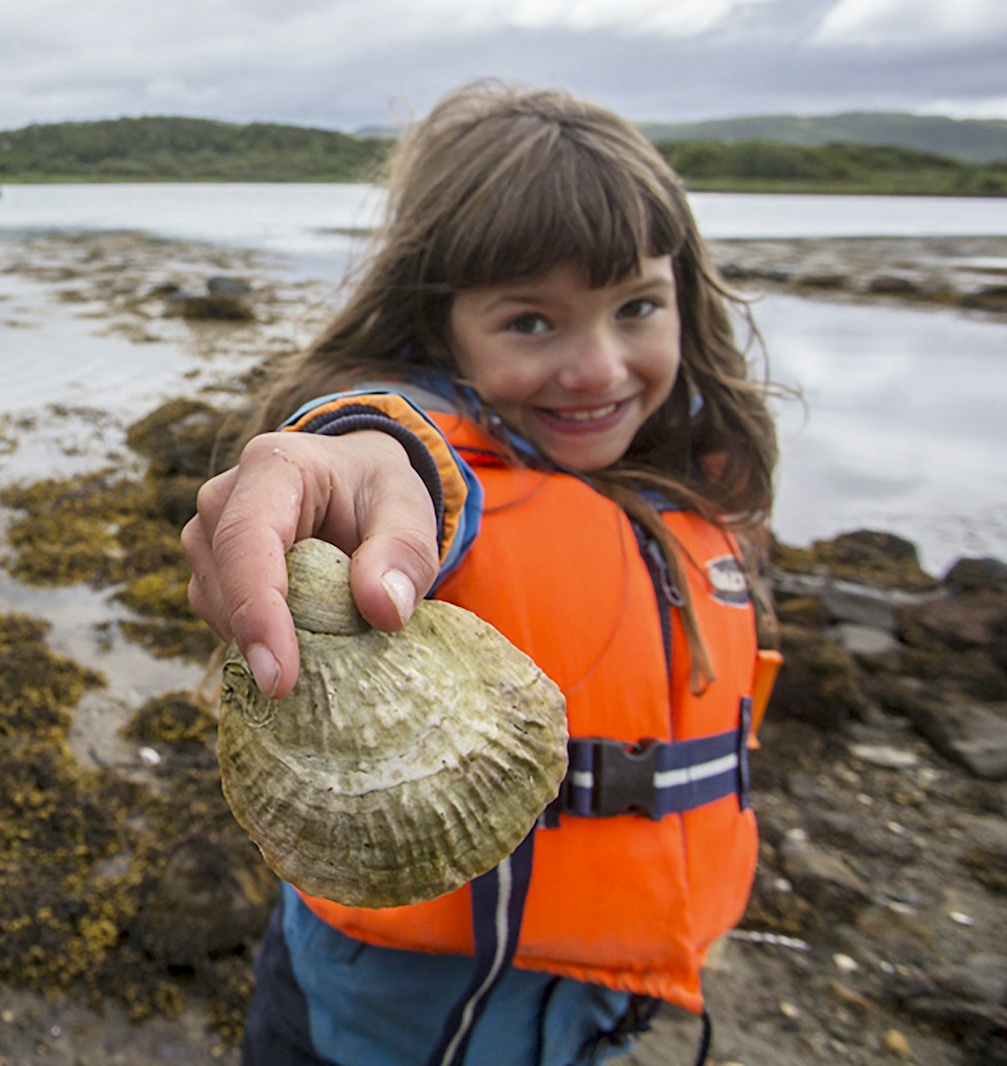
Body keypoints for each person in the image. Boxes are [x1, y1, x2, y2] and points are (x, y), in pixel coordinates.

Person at [183, 80, 782, 1066]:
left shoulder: (698, 499)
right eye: (531, 324)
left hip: (596, 1013)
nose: (596, 369)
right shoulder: (438, 484)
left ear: (687, 301)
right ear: (439, 329)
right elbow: (393, 459)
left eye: (636, 306)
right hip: (361, 1032)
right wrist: (341, 459)